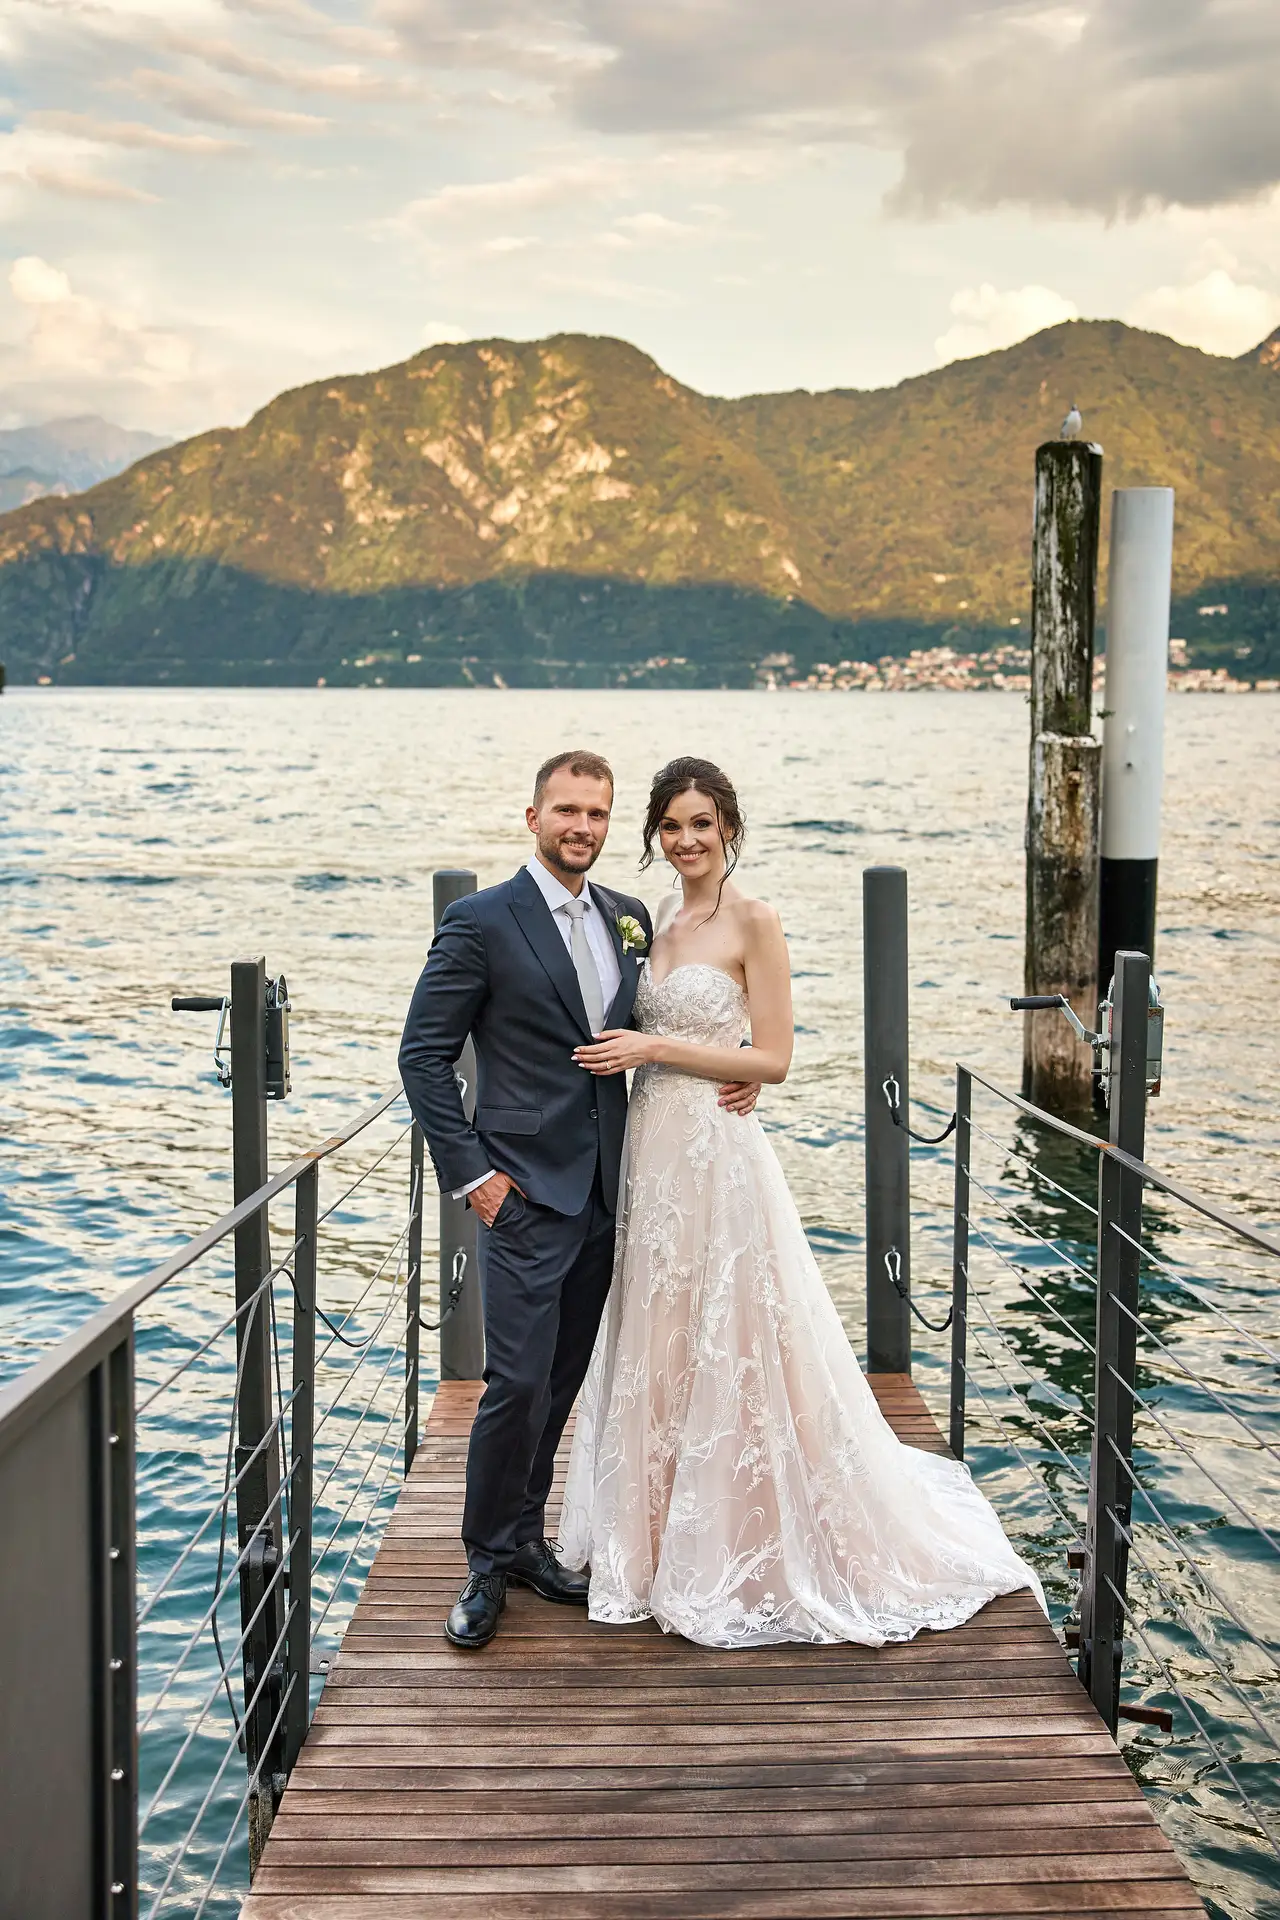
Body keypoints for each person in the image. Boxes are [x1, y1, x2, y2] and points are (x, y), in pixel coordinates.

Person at [560, 756, 1046, 1647]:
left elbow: (773, 1059)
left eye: (703, 823)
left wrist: (656, 1049)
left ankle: (742, 1535)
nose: (687, 839)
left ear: (730, 829)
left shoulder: (756, 920)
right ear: (654, 837)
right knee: (656, 1329)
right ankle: (652, 1533)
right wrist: (652, 1059)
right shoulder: (653, 916)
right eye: (671, 825)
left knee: (732, 1328)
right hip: (649, 1151)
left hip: (714, 1152)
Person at [397, 750, 760, 1649]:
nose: (583, 828)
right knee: (514, 1382)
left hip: (616, 1191)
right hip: (518, 1195)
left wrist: (742, 1072)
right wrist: (473, 1176)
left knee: (562, 1378)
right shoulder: (480, 921)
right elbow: (423, 1056)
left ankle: (526, 1538)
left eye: (597, 814)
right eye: (567, 811)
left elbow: (663, 1030)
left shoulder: (630, 917)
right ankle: (486, 1562)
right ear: (533, 818)